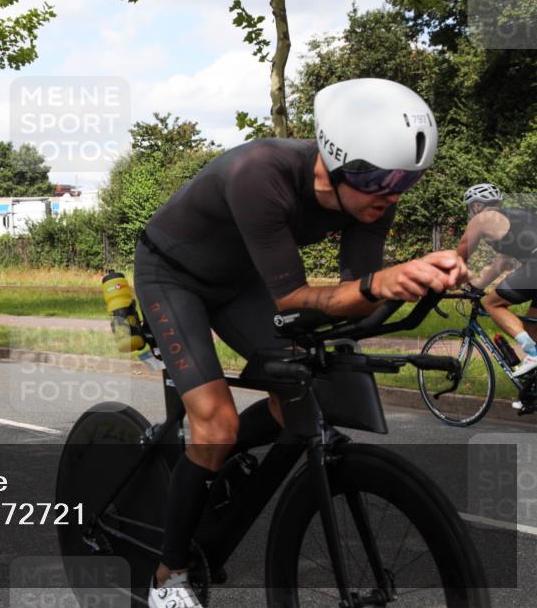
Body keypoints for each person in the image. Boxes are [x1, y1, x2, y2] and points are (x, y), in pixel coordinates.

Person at [134, 78, 468, 607]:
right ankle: (167, 577)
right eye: (381, 179)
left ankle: (202, 458)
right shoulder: (259, 174)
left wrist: (418, 282)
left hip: (239, 282)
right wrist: (376, 284)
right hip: (173, 276)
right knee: (215, 421)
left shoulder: (371, 200)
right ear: (337, 162)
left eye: (406, 181)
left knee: (302, 399)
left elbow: (358, 301)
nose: (392, 194)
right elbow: (292, 297)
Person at [457, 183, 537, 380]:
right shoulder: (516, 216)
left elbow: (460, 255)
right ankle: (532, 389)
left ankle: (533, 356)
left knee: (491, 303)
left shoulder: (482, 219)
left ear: (476, 206)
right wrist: (476, 285)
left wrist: (445, 282)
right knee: (530, 328)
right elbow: (500, 263)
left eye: (470, 208)